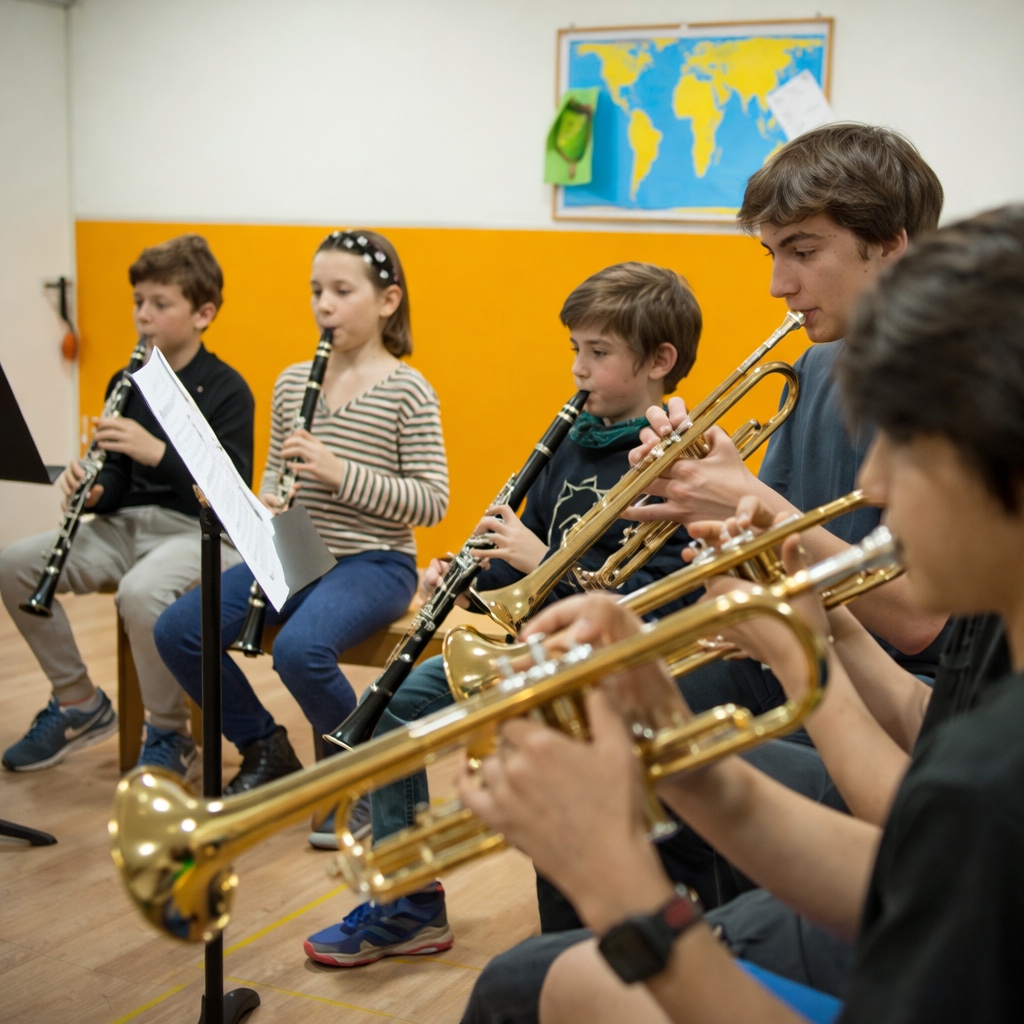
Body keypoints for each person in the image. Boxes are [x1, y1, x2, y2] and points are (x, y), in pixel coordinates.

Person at [459, 205, 1024, 1024]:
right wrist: (690, 747)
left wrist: (628, 897)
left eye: (908, 440)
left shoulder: (991, 774)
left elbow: (928, 845)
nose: (870, 484)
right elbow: (921, 872)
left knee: (522, 986)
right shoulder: (990, 727)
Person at [303, 261, 703, 967]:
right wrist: (466, 578)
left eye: (598, 352)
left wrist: (534, 558)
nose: (578, 369)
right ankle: (407, 905)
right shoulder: (575, 436)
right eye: (575, 349)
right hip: (529, 647)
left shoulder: (674, 460)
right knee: (391, 713)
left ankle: (591, 937)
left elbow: (654, 601)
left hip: (606, 673)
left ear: (659, 361)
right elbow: (516, 560)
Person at [154, 229, 449, 795]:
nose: (325, 304)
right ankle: (264, 745)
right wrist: (265, 503)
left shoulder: (409, 390)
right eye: (317, 290)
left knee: (300, 650)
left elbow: (431, 500)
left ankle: (374, 779)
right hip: (295, 550)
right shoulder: (294, 383)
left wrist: (339, 472)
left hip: (376, 561)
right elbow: (272, 475)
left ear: (387, 302)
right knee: (178, 630)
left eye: (342, 290)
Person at [1, 235, 254, 779]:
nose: (144, 316)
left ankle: (168, 734)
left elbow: (231, 493)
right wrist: (96, 488)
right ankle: (78, 703)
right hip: (126, 526)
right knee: (14, 563)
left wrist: (156, 451)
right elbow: (117, 476)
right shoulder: (127, 380)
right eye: (139, 302)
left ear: (203, 313)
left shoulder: (229, 390)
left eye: (161, 304)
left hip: (202, 534)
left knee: (142, 593)